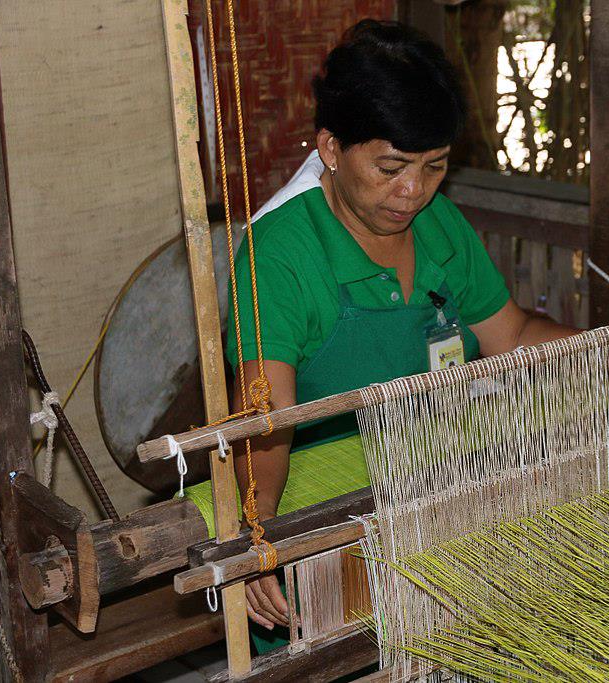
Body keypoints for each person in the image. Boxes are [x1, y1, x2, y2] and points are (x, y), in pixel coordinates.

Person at [225, 19, 578, 647]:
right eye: (390, 167)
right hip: (327, 536)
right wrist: (259, 538)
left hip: (441, 511)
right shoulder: (279, 254)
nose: (412, 191)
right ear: (331, 149)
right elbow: (265, 418)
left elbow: (512, 334)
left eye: (434, 166)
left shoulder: (440, 226)